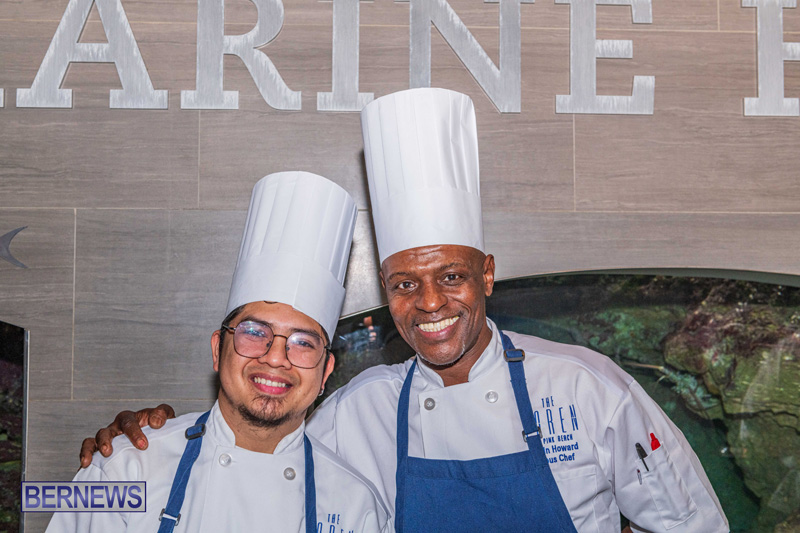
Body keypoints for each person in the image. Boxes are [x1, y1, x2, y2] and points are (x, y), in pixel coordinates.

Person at [80, 90, 728, 533]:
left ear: (487, 274)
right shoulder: (360, 411)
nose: (430, 304)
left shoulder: (586, 388)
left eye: (452, 276)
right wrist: (135, 439)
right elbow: (253, 440)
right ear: (216, 346)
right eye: (403, 284)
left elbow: (692, 521)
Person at [51, 171, 389, 532]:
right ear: (217, 349)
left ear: (325, 372)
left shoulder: (359, 507)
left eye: (303, 343)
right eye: (255, 332)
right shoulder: (118, 470)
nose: (276, 357)